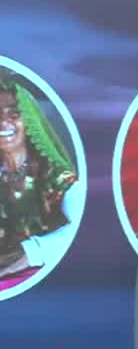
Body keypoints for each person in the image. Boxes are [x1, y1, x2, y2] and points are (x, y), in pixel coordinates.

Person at [0, 70, 83, 283]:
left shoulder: (58, 179)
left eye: (13, 114)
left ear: (29, 120)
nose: (3, 123)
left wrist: (33, 252)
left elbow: (85, 233)